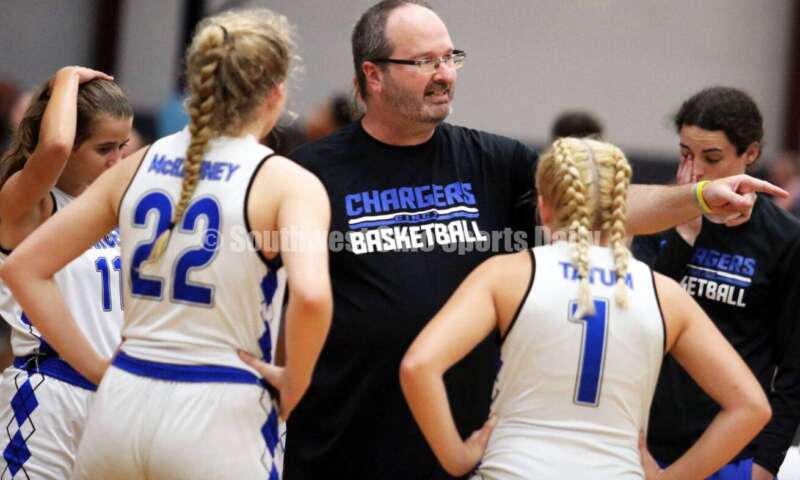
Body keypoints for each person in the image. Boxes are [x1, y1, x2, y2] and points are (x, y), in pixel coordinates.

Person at [285, 2, 786, 478]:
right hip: (341, 444)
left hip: (462, 450)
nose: (444, 73)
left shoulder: (493, 161)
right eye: (424, 61)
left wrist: (699, 195)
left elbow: (604, 206)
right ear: (374, 74)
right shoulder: (312, 172)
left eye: (449, 57)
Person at [0, 8, 332, 479]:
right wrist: (294, 383)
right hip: (218, 402)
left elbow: (23, 268)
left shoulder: (142, 164)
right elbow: (314, 297)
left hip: (122, 401)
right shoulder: (286, 180)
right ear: (277, 94)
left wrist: (102, 371)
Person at [400, 137, 771, 479]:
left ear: (543, 207)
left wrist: (457, 458)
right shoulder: (665, 295)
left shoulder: (506, 274)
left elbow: (419, 365)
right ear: (622, 208)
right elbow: (751, 407)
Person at [639, 87, 800, 480]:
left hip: (733, 454)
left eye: (711, 158)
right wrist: (683, 234)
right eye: (685, 155)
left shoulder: (785, 239)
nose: (695, 172)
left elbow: (795, 367)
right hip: (646, 445)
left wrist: (766, 462)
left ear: (751, 155)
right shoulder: (655, 214)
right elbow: (641, 321)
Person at [0, 66, 132, 478]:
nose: (117, 161)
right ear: (72, 146)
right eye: (104, 148)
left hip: (112, 399)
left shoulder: (112, 208)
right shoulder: (28, 203)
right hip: (48, 393)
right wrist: (66, 78)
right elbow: (53, 146)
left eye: (123, 146)